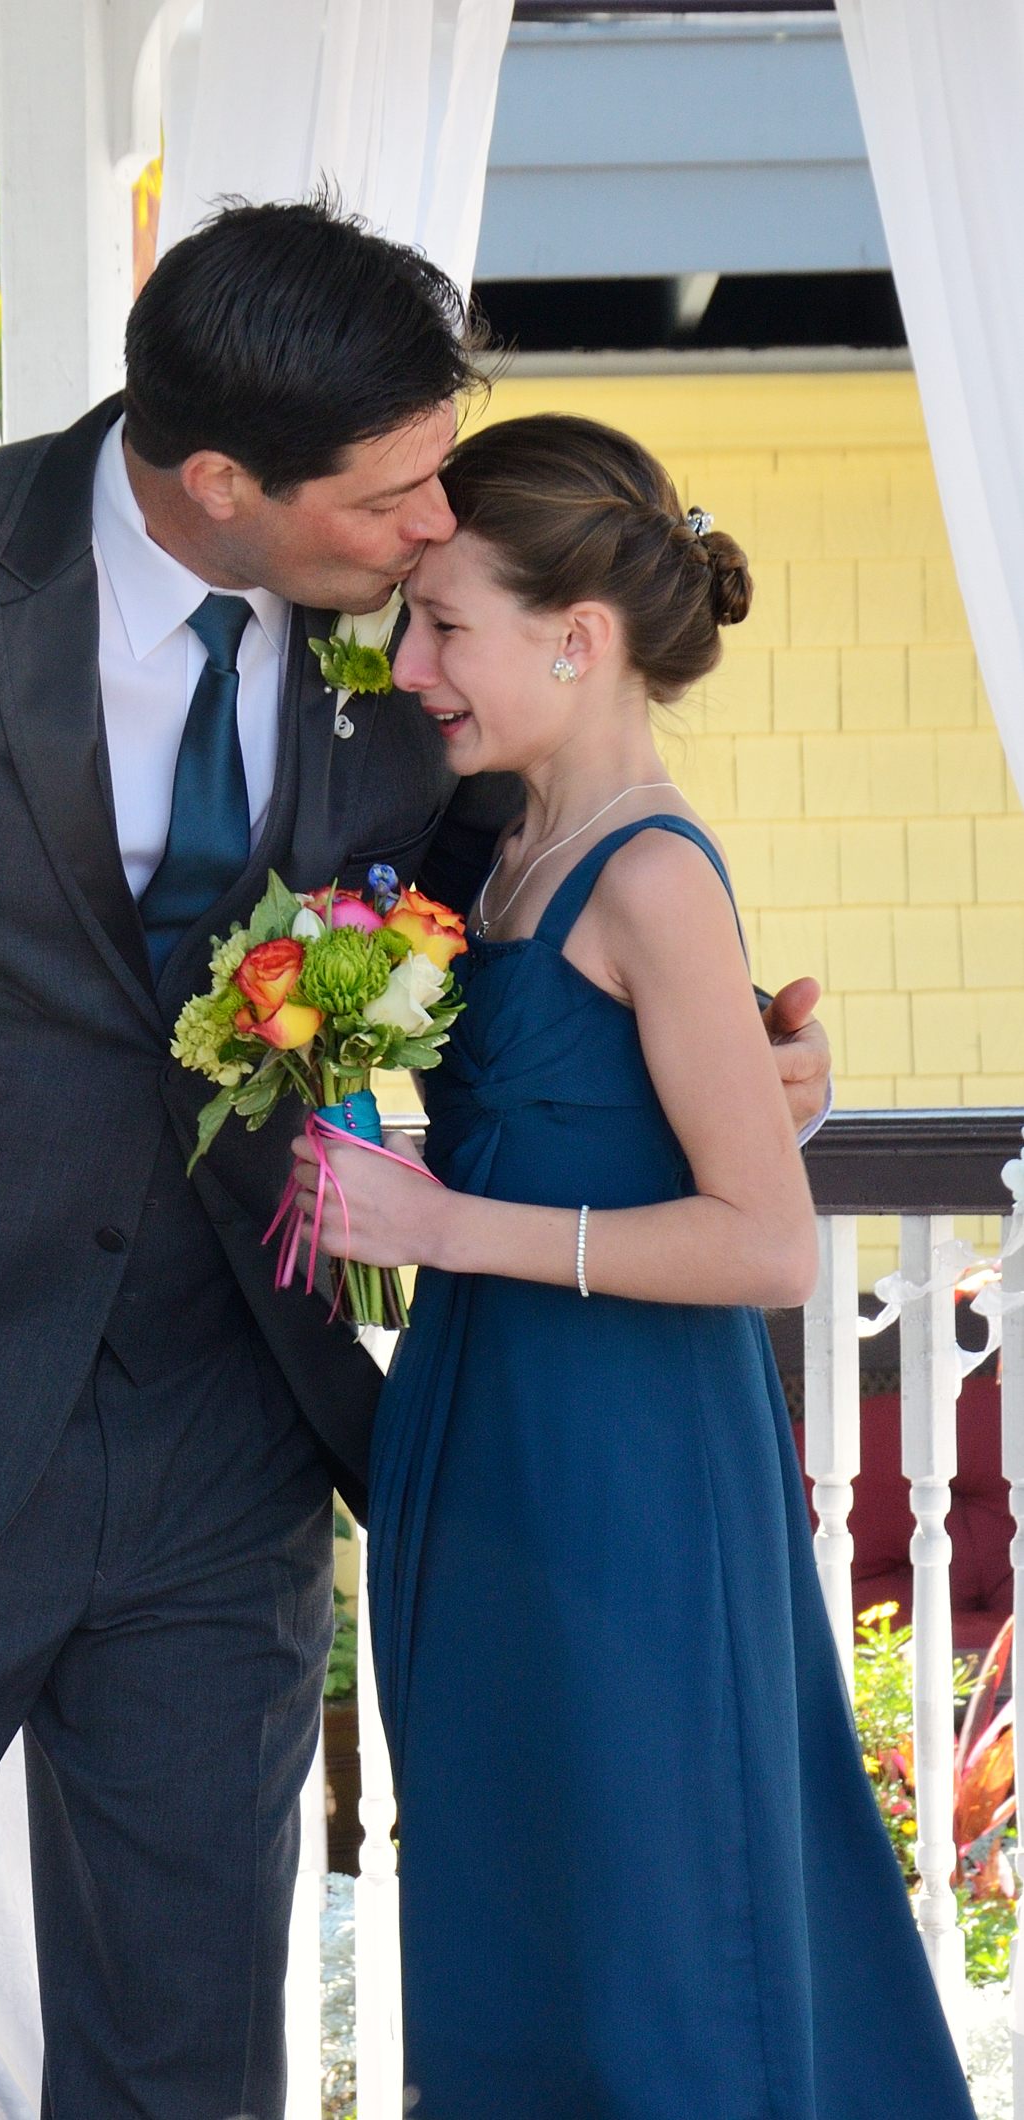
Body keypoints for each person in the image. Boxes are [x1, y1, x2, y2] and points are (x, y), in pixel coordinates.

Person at [0, 199, 829, 2120]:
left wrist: (722, 1063)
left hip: (235, 1435)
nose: (432, 527)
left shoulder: (411, 635)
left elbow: (512, 894)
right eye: (389, 496)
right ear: (220, 481)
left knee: (192, 2045)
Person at [291, 413, 973, 2119]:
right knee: (512, 1906)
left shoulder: (654, 877)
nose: (409, 666)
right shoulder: (483, 847)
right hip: (484, 1447)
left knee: (650, 1924)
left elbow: (767, 1245)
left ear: (576, 638)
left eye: (443, 623)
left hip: (628, 1477)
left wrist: (443, 1227)